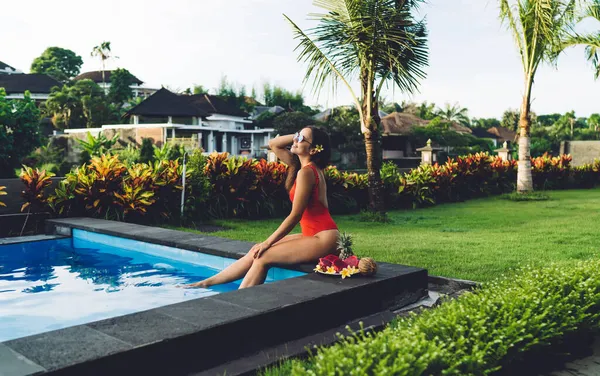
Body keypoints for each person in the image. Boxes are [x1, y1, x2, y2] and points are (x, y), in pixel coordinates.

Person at [185, 126, 340, 289]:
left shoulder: (306, 173)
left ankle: (237, 304)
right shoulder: (302, 167)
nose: (295, 140)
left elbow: (295, 215)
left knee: (263, 256)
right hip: (314, 234)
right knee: (255, 251)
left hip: (323, 238)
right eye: (296, 135)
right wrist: (298, 136)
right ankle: (205, 283)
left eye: (301, 139)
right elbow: (274, 144)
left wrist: (267, 242)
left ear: (314, 149)